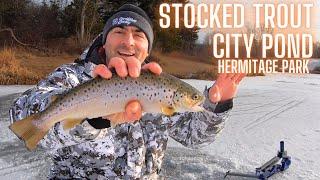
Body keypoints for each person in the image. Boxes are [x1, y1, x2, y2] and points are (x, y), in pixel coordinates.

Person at [9, 4, 245, 179]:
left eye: (138, 34)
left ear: (147, 48)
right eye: (119, 31)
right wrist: (92, 121)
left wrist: (218, 104)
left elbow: (195, 137)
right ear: (104, 42)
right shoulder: (71, 77)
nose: (129, 42)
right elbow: (20, 115)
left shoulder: (163, 89)